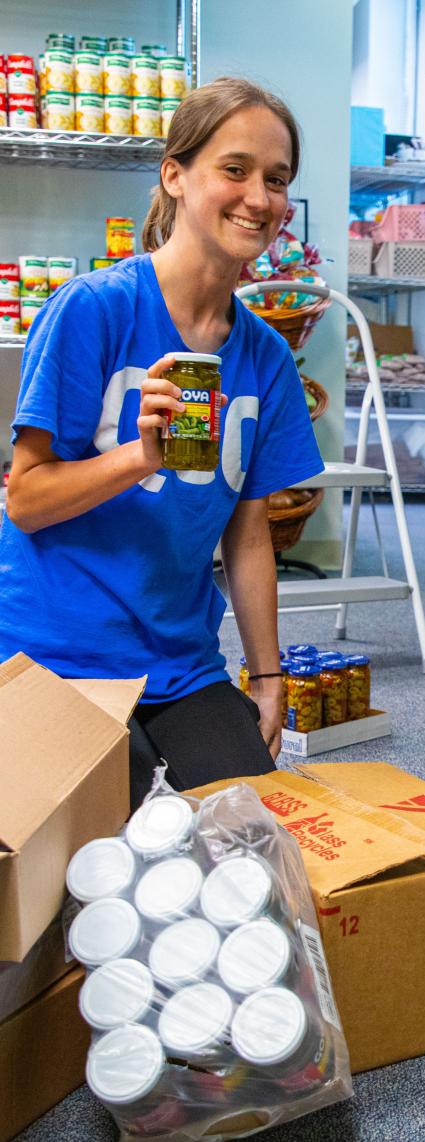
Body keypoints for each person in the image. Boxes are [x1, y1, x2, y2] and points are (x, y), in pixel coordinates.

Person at [0, 78, 323, 808]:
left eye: (276, 180)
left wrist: (266, 679)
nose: (259, 198)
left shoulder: (266, 358)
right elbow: (25, 499)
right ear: (175, 176)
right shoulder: (92, 311)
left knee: (249, 838)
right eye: (234, 170)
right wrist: (139, 458)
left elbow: (248, 533)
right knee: (110, 840)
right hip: (54, 655)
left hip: (181, 662)